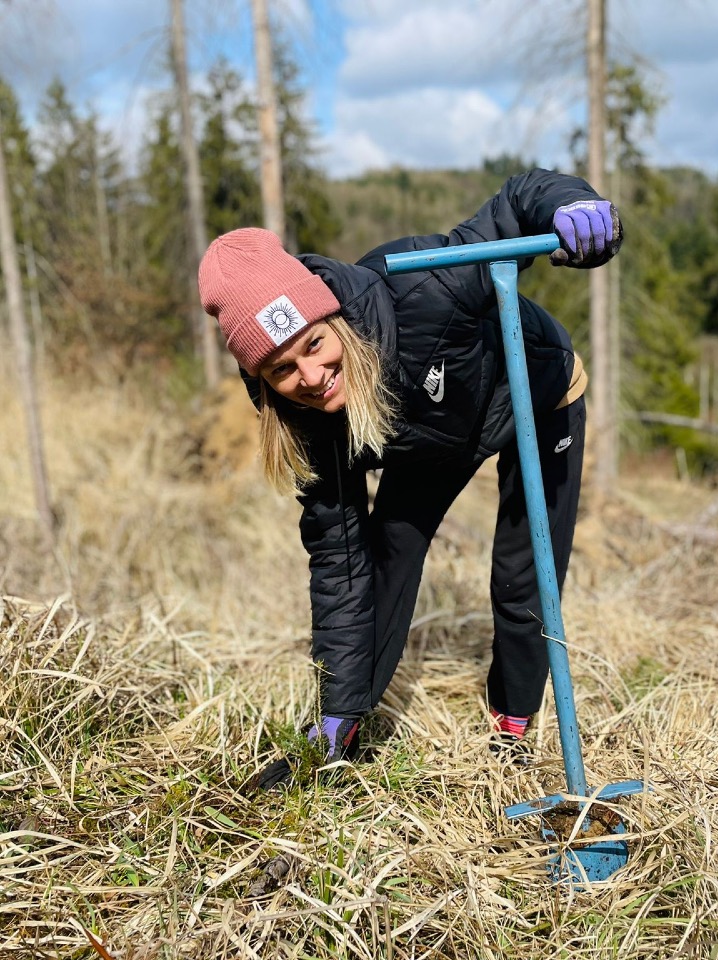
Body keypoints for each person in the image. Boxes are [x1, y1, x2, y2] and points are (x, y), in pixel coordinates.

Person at [198, 168, 623, 790]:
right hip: (430, 437)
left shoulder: (426, 287)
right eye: (282, 370)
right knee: (387, 555)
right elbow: (342, 568)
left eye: (313, 345)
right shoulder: (306, 422)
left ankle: (512, 725)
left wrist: (573, 207)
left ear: (332, 319)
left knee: (523, 570)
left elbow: (515, 202)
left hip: (534, 394)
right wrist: (338, 710)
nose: (311, 377)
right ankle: (341, 730)